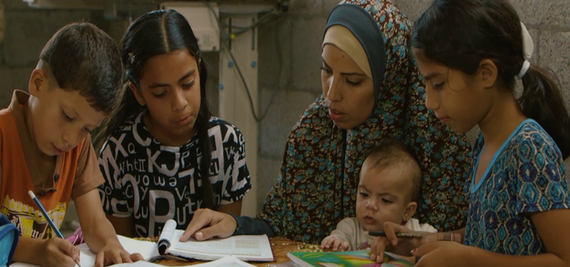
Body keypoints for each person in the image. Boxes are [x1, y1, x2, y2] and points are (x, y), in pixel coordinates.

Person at [183, 0, 472, 245]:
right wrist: (235, 225)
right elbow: (281, 226)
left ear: (389, 82)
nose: (331, 94)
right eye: (327, 70)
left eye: (353, 80)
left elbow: (462, 247)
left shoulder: (436, 139)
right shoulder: (314, 131)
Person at [372, 0, 570, 267]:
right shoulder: (484, 143)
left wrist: (467, 262)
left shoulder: (529, 147)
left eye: (437, 84)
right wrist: (423, 241)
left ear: (486, 73)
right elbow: (490, 233)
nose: (428, 102)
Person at [95, 9, 251, 238]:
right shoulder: (117, 154)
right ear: (138, 93)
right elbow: (122, 253)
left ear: (199, 69)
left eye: (187, 83)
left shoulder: (228, 143)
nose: (179, 104)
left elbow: (226, 244)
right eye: (160, 93)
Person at [0, 22, 142, 267]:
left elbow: (95, 223)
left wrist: (111, 244)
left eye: (87, 129)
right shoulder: (2, 136)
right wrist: (37, 251)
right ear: (37, 83)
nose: (71, 138)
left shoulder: (78, 147)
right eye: (67, 116)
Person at [320, 139, 437, 251]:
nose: (370, 205)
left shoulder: (419, 232)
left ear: (407, 211)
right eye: (364, 194)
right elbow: (338, 237)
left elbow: (438, 250)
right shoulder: (350, 229)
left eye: (385, 200)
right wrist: (334, 243)